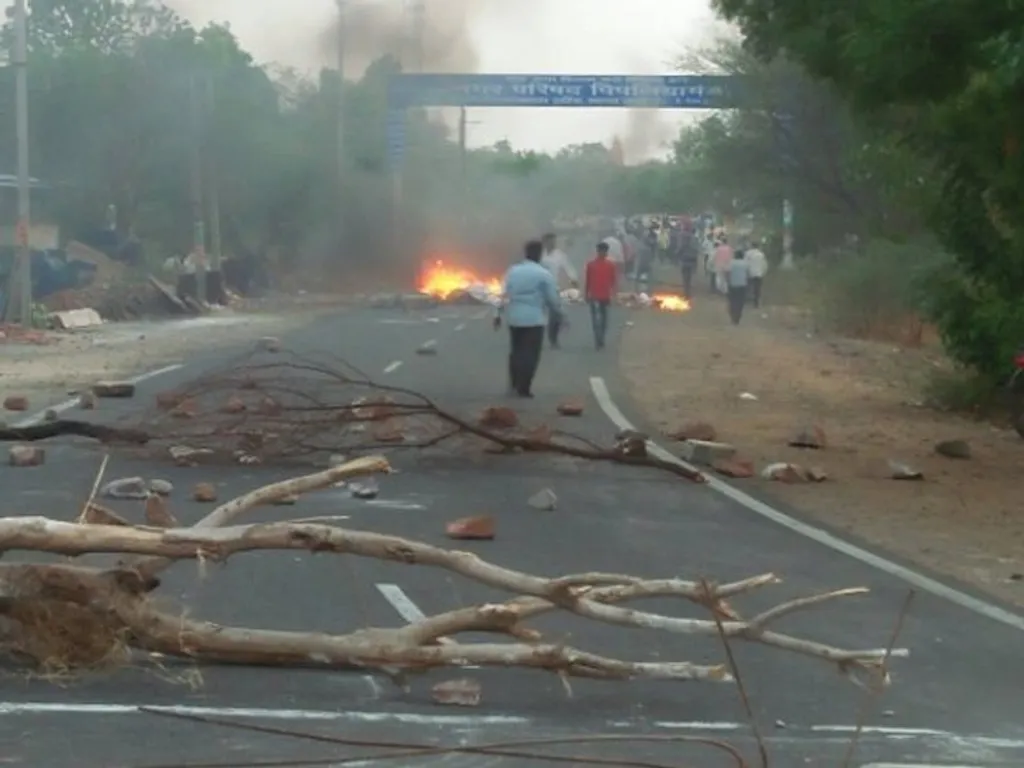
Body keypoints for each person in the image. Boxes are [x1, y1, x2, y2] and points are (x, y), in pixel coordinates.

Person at [494, 239, 563, 398]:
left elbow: (503, 295)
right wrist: (559, 315)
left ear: (525, 253)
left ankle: (513, 383)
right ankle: (524, 387)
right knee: (531, 354)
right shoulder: (544, 274)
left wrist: (497, 315)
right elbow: (552, 299)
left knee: (516, 351)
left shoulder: (513, 271)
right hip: (534, 319)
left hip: (515, 318)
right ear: (539, 255)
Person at [540, 232, 578, 349]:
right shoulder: (539, 255)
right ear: (544, 242)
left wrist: (573, 280)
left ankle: (553, 339)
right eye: (549, 241)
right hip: (538, 288)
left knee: (555, 315)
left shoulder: (559, 255)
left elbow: (568, 267)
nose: (551, 243)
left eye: (553, 241)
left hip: (553, 288)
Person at [584, 241, 617, 349]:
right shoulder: (591, 265)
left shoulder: (611, 265)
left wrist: (614, 294)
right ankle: (598, 339)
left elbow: (613, 281)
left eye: (605, 251)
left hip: (605, 296)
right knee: (596, 319)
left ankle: (601, 337)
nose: (603, 253)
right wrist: (586, 294)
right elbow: (588, 280)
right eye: (601, 251)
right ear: (598, 252)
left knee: (604, 319)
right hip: (594, 296)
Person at [726, 248, 749, 325]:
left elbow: (728, 273)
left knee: (732, 301)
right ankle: (738, 317)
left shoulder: (731, 263)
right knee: (740, 302)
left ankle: (733, 315)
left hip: (733, 284)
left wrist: (728, 281)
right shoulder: (745, 263)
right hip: (742, 285)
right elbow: (748, 273)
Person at [677, 224, 700, 299]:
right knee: (689, 278)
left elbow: (681, 248)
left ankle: (686, 293)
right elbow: (697, 250)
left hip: (685, 260)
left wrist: (677, 254)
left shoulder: (684, 238)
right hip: (692, 260)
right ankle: (688, 293)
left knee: (685, 278)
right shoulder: (695, 239)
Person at [745, 239, 768, 307]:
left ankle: (749, 300)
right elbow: (764, 265)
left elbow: (745, 263)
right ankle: (756, 301)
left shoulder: (748, 253)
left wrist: (746, 272)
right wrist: (763, 272)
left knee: (749, 287)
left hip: (750, 273)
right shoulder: (761, 254)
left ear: (751, 246)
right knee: (757, 288)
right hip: (759, 273)